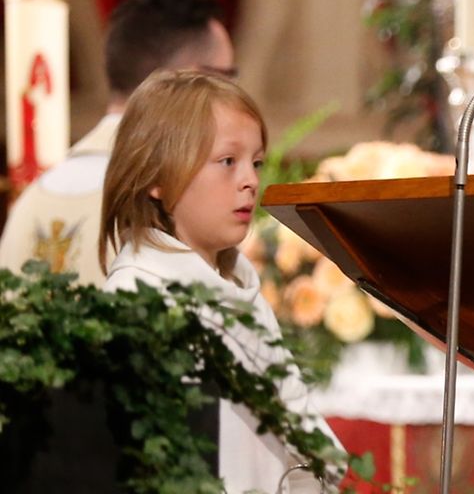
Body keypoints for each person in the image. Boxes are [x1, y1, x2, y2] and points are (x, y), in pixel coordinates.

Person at [101, 69, 339, 493]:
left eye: (256, 162)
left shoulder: (238, 286)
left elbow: (295, 440)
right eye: (228, 161)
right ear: (157, 175)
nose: (250, 180)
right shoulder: (141, 300)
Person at [0, 0, 234, 285]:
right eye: (227, 77)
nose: (231, 98)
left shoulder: (31, 199)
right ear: (192, 78)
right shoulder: (172, 197)